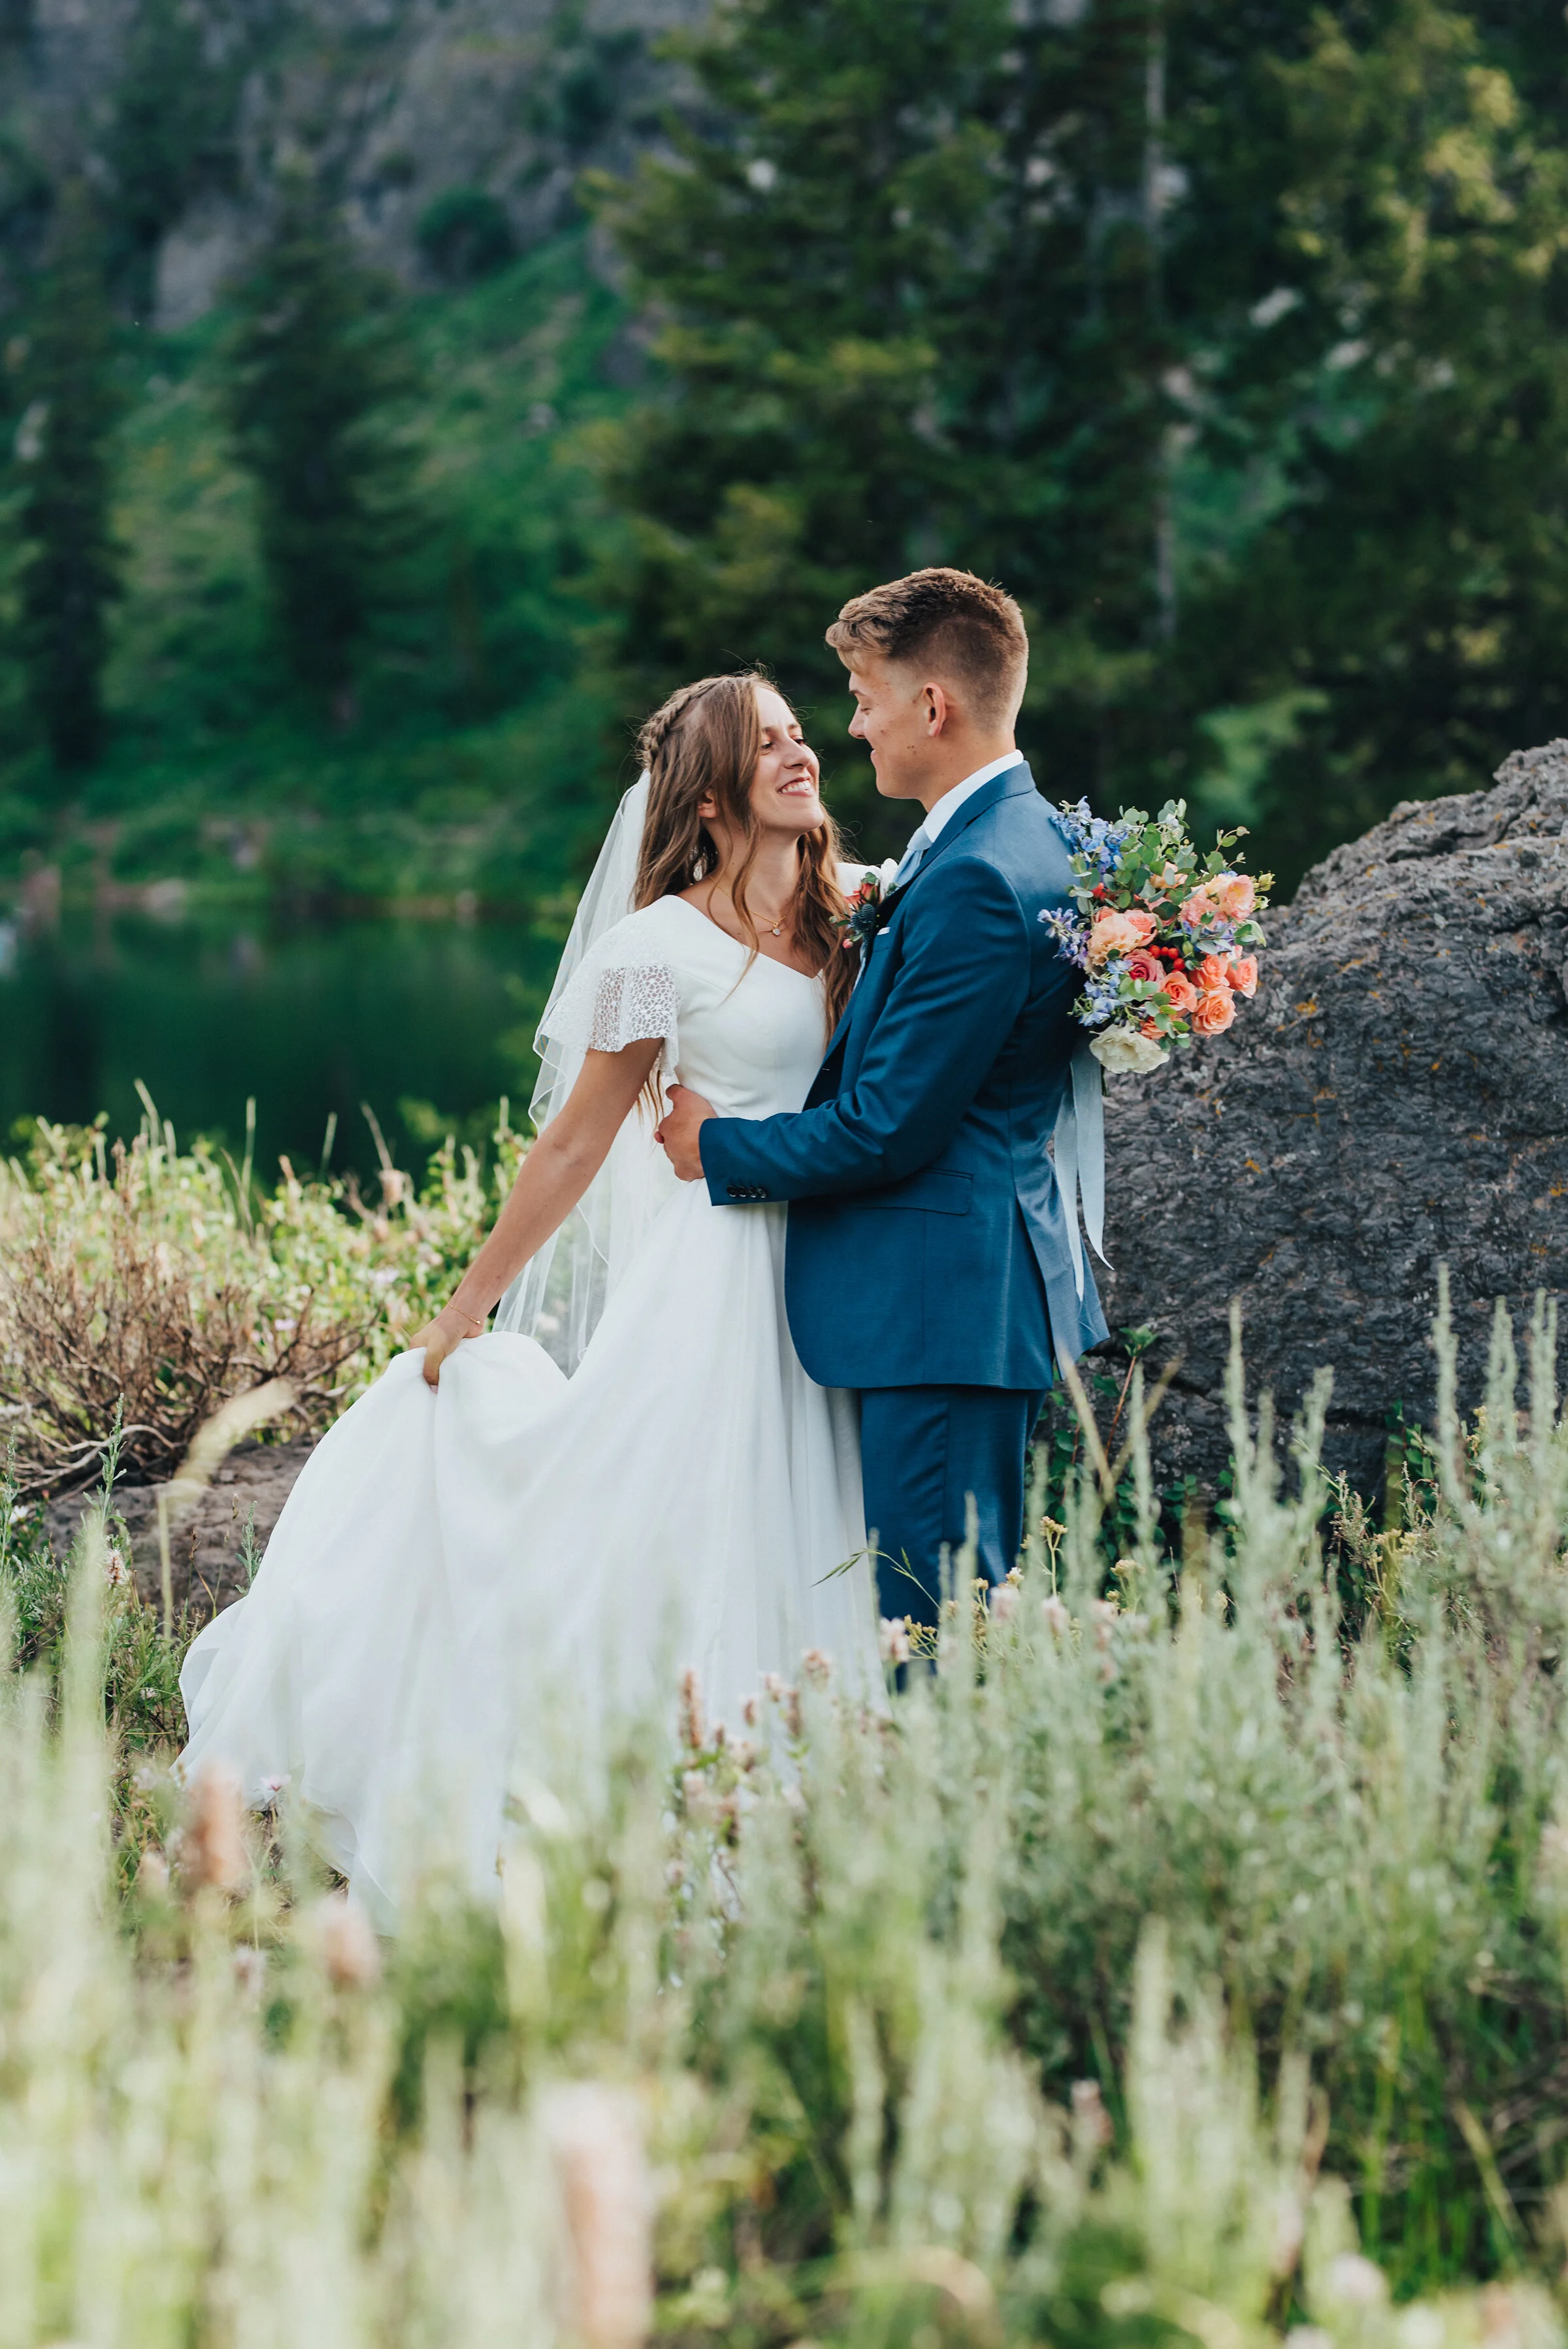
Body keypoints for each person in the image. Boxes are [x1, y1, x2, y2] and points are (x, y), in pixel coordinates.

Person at [178, 674, 880, 1924]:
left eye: (800, 731)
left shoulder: (854, 912)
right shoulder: (656, 948)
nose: (800, 751)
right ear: (711, 792)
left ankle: (818, 1797)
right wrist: (469, 1304)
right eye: (766, 740)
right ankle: (668, 1800)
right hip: (716, 1284)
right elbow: (574, 1142)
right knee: (696, 1528)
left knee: (810, 1517)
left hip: (833, 1262)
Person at [657, 569, 1109, 1629]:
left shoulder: (978, 876)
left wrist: (720, 1144)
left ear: (932, 707)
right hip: (959, 1293)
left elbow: (891, 1125)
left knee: (932, 1623)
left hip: (941, 1301)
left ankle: (952, 1796)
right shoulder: (1017, 839)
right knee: (953, 1606)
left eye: (863, 697)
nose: (853, 729)